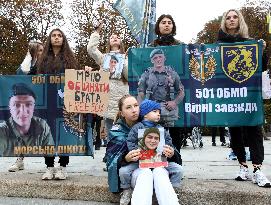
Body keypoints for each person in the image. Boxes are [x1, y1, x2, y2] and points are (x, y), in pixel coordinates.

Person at [218, 9, 270, 187]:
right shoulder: (217, 45)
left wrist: (262, 51)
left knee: (254, 129)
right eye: (228, 18)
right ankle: (242, 165)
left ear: (240, 21)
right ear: (224, 22)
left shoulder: (250, 43)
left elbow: (261, 67)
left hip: (249, 95)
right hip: (230, 96)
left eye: (235, 17)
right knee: (235, 131)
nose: (231, 20)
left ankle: (257, 169)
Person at [138, 14, 185, 152]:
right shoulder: (148, 49)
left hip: (169, 109)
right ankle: (151, 166)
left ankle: (175, 165)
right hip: (151, 109)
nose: (166, 24)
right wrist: (143, 107)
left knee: (175, 139)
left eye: (169, 22)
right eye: (163, 22)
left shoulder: (181, 47)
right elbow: (140, 91)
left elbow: (181, 90)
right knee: (151, 138)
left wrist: (174, 102)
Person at [37, 28, 79, 180]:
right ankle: (49, 166)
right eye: (54, 36)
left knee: (64, 134)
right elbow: (33, 78)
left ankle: (62, 166)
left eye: (59, 35)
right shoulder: (42, 60)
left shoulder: (70, 59)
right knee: (47, 133)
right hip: (47, 103)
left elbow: (76, 78)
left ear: (63, 39)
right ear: (50, 39)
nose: (56, 38)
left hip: (64, 103)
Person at [124, 99, 182, 205]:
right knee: (124, 171)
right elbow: (130, 141)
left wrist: (169, 151)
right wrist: (134, 152)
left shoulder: (161, 129)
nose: (158, 114)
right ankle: (126, 190)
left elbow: (168, 143)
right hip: (140, 165)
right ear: (145, 114)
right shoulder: (137, 128)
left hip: (159, 164)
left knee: (178, 169)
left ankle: (174, 189)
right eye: (155, 111)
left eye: (159, 112)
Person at [87, 21, 129, 137]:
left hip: (122, 96)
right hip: (107, 97)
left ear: (121, 42)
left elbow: (129, 76)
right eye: (111, 37)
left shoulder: (127, 58)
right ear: (109, 42)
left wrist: (123, 61)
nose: (114, 38)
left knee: (124, 130)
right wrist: (97, 32)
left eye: (117, 37)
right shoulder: (103, 58)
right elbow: (91, 49)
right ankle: (112, 153)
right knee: (111, 132)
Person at [9, 40, 44, 172]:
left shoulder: (48, 64)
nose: (40, 53)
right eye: (37, 51)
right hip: (29, 102)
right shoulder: (26, 66)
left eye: (41, 50)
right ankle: (19, 160)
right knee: (22, 130)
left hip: (44, 101)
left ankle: (52, 163)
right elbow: (19, 75)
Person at [0, 83, 54, 157]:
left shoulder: (42, 125)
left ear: (33, 107)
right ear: (10, 108)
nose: (23, 111)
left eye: (28, 104)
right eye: (16, 105)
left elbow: (50, 157)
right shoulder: (2, 130)